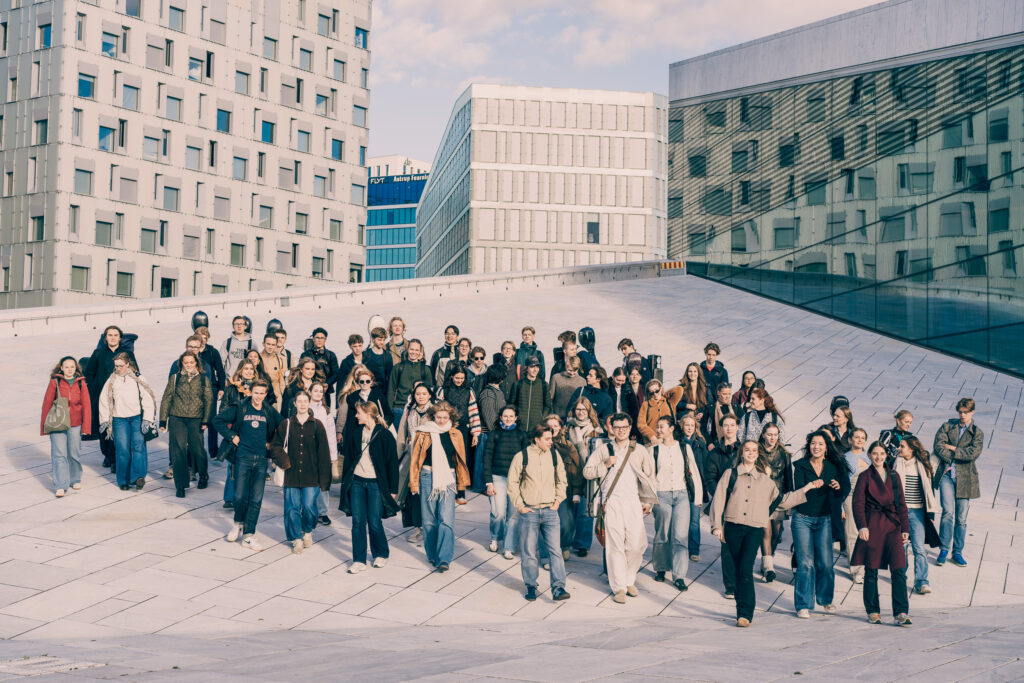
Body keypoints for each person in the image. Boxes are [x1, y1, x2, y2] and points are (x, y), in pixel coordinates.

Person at [711, 440, 821, 627]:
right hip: (732, 526)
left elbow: (783, 501)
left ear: (758, 454)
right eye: (747, 450)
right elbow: (719, 499)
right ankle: (741, 607)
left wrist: (807, 488)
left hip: (754, 529)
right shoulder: (731, 474)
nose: (751, 453)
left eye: (754, 451)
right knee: (736, 570)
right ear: (742, 453)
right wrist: (716, 526)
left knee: (745, 569)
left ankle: (745, 613)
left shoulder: (765, 481)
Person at [583, 413, 657, 604]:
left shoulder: (639, 450)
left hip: (633, 501)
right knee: (615, 546)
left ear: (630, 428)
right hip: (611, 501)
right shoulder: (604, 449)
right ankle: (619, 587)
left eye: (624, 427)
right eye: (617, 427)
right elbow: (587, 471)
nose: (621, 430)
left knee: (637, 545)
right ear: (611, 429)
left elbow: (650, 475)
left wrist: (647, 502)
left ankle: (629, 579)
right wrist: (605, 464)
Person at [214, 380, 282, 551]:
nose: (258, 397)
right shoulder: (240, 407)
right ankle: (238, 523)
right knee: (239, 496)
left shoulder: (269, 411)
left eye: (262, 393)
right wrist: (231, 436)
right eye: (256, 393)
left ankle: (249, 535)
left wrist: (271, 443)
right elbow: (217, 420)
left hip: (260, 460)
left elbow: (282, 427)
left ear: (266, 395)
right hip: (242, 457)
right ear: (250, 392)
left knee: (256, 498)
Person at [507, 424, 571, 602]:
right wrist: (520, 506)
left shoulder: (553, 454)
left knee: (555, 551)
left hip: (551, 510)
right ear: (537, 439)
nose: (551, 442)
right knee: (529, 552)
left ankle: (558, 588)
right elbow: (512, 483)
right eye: (547, 439)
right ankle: (531, 586)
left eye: (551, 438)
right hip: (530, 511)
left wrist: (558, 500)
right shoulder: (522, 457)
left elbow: (562, 479)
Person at [852, 441, 913, 626]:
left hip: (893, 525)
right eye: (875, 454)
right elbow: (858, 503)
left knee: (899, 569)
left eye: (882, 453)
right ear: (869, 455)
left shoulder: (894, 476)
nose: (878, 457)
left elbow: (901, 503)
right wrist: (862, 526)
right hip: (873, 525)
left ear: (886, 455)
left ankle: (901, 612)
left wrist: (905, 528)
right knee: (871, 569)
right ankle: (873, 611)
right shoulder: (864, 476)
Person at [791, 430, 850, 618]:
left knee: (825, 563)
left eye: (820, 444)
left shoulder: (833, 467)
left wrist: (837, 488)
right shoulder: (800, 466)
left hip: (824, 519)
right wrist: (810, 486)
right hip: (802, 518)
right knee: (806, 563)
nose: (816, 447)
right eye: (813, 443)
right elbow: (797, 490)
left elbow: (840, 493)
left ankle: (825, 599)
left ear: (826, 448)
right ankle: (803, 604)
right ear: (809, 446)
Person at [408, 401, 470, 572]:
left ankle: (444, 558)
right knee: (428, 520)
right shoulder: (424, 432)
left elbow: (460, 462)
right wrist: (414, 483)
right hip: (427, 476)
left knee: (446, 519)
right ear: (432, 416)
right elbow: (414, 460)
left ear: (451, 417)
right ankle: (433, 554)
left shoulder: (456, 434)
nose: (442, 420)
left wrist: (461, 488)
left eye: (445, 417)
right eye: (438, 417)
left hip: (448, 478)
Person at [340, 401, 399, 570]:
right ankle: (358, 560)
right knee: (358, 522)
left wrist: (393, 490)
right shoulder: (355, 434)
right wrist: (347, 485)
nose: (356, 415)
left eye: (359, 413)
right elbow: (349, 462)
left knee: (374, 521)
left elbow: (392, 464)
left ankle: (380, 554)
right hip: (357, 482)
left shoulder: (385, 435)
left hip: (376, 484)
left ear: (369, 414)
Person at [269, 390, 331, 554]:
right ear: (294, 404)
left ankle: (308, 531)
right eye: (299, 401)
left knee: (310, 507)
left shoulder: (317, 425)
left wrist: (325, 480)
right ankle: (296, 538)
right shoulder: (286, 424)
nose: (303, 404)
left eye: (305, 401)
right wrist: (284, 461)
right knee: (291, 508)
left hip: (312, 475)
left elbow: (324, 453)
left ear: (309, 403)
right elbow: (275, 446)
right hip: (291, 474)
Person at [651, 416, 703, 591]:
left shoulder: (684, 448)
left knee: (680, 536)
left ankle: (679, 575)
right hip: (661, 494)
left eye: (662, 426)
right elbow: (650, 477)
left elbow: (693, 472)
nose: (659, 430)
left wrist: (697, 498)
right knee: (662, 534)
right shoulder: (654, 450)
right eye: (657, 427)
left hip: (681, 495)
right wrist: (650, 500)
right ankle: (660, 567)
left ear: (671, 428)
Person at [933, 398, 982, 568]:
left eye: (966, 412)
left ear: (972, 412)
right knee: (947, 512)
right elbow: (938, 447)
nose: (962, 415)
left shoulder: (977, 432)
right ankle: (944, 548)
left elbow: (973, 454)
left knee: (961, 518)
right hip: (947, 474)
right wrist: (955, 454)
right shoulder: (947, 426)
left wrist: (953, 449)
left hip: (965, 478)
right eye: (960, 412)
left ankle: (958, 551)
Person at [98, 352, 156, 491]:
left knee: (138, 446)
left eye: (121, 366)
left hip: (136, 418)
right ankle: (123, 480)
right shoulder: (112, 379)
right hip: (119, 419)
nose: (118, 369)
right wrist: (105, 420)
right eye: (116, 366)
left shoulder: (138, 378)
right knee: (122, 449)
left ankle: (138, 477)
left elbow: (147, 398)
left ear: (128, 364)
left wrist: (147, 419)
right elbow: (104, 399)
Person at [159, 351, 214, 497]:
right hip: (177, 418)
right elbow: (166, 399)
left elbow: (209, 400)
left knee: (197, 450)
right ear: (181, 364)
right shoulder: (175, 378)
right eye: (186, 362)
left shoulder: (203, 379)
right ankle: (181, 485)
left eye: (191, 362)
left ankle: (203, 475)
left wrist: (205, 420)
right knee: (178, 451)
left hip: (196, 419)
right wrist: (163, 420)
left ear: (196, 362)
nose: (189, 365)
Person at [85, 325, 138, 470]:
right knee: (104, 428)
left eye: (115, 335)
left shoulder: (127, 354)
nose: (113, 337)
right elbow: (89, 373)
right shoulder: (98, 353)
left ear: (120, 338)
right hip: (102, 397)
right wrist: (94, 389)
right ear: (105, 337)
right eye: (110, 335)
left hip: (121, 398)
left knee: (118, 429)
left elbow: (135, 372)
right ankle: (107, 455)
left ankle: (115, 459)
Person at [893, 436, 939, 595]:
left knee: (919, 547)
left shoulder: (922, 466)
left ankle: (922, 581)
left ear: (911, 449)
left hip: (918, 511)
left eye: (902, 446)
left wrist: (930, 513)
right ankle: (901, 577)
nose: (899, 449)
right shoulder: (896, 464)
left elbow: (929, 490)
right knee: (902, 547)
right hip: (901, 512)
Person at [483, 405, 530, 558]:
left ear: (516, 418)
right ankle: (495, 537)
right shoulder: (494, 434)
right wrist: (488, 482)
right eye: (505, 416)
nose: (508, 419)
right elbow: (487, 458)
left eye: (511, 416)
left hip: (516, 480)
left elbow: (526, 460)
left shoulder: (522, 435)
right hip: (498, 477)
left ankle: (509, 546)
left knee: (513, 515)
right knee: (498, 512)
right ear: (500, 417)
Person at [41, 356, 91, 497]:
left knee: (74, 453)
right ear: (61, 368)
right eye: (66, 367)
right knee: (59, 455)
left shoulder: (81, 384)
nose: (69, 370)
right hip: (58, 423)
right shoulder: (54, 382)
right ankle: (60, 485)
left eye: (72, 367)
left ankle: (75, 479)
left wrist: (86, 427)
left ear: (76, 369)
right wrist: (44, 426)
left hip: (75, 424)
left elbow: (87, 407)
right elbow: (46, 404)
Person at [539, 415, 583, 566]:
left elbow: (576, 470)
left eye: (555, 426)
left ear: (561, 428)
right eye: (549, 426)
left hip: (563, 491)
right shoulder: (538, 445)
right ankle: (547, 556)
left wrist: (576, 492)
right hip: (543, 491)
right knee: (544, 524)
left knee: (566, 523)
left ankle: (564, 545)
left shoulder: (568, 446)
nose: (553, 429)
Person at [704, 414, 740, 596]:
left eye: (732, 425)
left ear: (737, 427)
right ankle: (731, 585)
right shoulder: (715, 454)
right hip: (725, 504)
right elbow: (709, 478)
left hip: (744, 503)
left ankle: (742, 579)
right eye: (725, 425)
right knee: (727, 546)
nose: (729, 428)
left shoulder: (745, 450)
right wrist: (721, 494)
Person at [395, 382, 435, 544]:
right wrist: (399, 456)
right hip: (411, 456)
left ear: (429, 395)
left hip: (428, 457)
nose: (421, 397)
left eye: (424, 394)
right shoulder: (409, 411)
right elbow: (401, 435)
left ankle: (430, 525)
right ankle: (417, 527)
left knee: (427, 492)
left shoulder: (434, 412)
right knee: (413, 494)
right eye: (418, 394)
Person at [436, 362, 481, 502]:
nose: (459, 380)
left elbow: (473, 411)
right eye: (457, 378)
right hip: (446, 428)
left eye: (462, 378)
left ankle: (461, 492)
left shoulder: (469, 391)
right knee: (446, 459)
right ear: (451, 377)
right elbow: (437, 410)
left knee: (462, 460)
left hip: (462, 429)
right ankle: (446, 488)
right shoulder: (443, 390)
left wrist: (475, 432)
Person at [220, 360, 259, 509]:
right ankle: (229, 497)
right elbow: (223, 410)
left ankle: (246, 497)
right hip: (235, 431)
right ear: (240, 371)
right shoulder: (232, 388)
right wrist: (230, 428)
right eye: (245, 369)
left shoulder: (258, 389)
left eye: (251, 369)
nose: (248, 371)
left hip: (252, 432)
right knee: (233, 465)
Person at [566, 398, 602, 557]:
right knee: (569, 507)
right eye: (578, 409)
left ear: (589, 412)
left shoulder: (596, 429)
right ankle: (567, 540)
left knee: (585, 509)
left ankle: (582, 543)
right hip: (571, 471)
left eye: (584, 410)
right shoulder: (567, 427)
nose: (580, 412)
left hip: (588, 472)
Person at [841, 428, 870, 583]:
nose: (859, 440)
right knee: (852, 532)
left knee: (867, 533)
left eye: (862, 438)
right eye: (856, 437)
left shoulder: (869, 457)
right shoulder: (845, 458)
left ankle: (866, 564)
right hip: (850, 497)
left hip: (868, 499)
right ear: (850, 440)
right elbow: (840, 483)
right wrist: (840, 507)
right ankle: (856, 569)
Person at [679, 414, 708, 563]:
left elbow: (705, 466)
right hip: (681, 484)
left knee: (694, 519)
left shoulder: (700, 443)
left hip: (695, 485)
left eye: (692, 425)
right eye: (687, 425)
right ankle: (680, 547)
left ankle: (694, 549)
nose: (689, 428)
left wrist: (705, 486)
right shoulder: (677, 443)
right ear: (682, 426)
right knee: (680, 519)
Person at [309, 381, 338, 526]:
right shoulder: (304, 407)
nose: (318, 393)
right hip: (307, 450)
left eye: (321, 391)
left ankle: (322, 512)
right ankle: (307, 509)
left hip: (323, 450)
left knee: (323, 482)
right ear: (310, 392)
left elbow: (331, 434)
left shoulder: (326, 411)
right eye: (316, 390)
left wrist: (333, 455)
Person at [194, 326, 226, 460]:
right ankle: (196, 449)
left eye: (205, 338)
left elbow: (220, 370)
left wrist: (221, 388)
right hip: (195, 390)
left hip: (211, 388)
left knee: (212, 419)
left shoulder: (212, 352)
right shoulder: (192, 352)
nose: (202, 341)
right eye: (199, 337)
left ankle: (213, 450)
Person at [475, 364, 507, 494]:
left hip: (494, 433)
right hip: (487, 434)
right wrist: (496, 433)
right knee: (484, 461)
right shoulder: (488, 393)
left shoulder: (498, 392)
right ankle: (481, 486)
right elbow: (489, 417)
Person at [387, 339, 433, 426]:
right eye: (411, 349)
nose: (413, 352)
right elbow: (391, 390)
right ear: (407, 350)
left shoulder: (425, 369)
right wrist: (389, 410)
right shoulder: (398, 367)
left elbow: (430, 391)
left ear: (420, 352)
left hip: (418, 409)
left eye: (416, 350)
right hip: (399, 408)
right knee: (400, 437)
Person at [512, 356, 550, 432]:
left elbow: (548, 405)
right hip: (520, 428)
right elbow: (512, 404)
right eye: (532, 366)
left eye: (537, 366)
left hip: (536, 428)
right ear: (526, 368)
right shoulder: (518, 384)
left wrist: (541, 418)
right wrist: (517, 418)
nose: (535, 369)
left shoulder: (544, 385)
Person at [636, 379, 678, 446]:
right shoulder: (646, 404)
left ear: (661, 388)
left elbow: (679, 390)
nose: (655, 394)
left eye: (657, 391)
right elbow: (641, 424)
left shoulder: (669, 402)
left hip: (668, 440)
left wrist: (664, 394)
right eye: (652, 393)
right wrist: (651, 435)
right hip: (652, 442)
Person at [671, 362, 708, 430]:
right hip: (684, 421)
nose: (692, 374)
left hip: (699, 423)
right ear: (687, 373)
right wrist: (686, 405)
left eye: (695, 371)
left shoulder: (705, 388)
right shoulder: (681, 387)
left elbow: (708, 405)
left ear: (698, 373)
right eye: (690, 371)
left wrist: (702, 413)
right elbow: (674, 404)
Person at [259, 333, 287, 411]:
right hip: (259, 395)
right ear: (263, 344)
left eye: (273, 345)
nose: (270, 347)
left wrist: (284, 396)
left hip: (275, 397)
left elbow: (281, 380)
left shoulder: (279, 360)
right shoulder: (257, 358)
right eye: (268, 344)